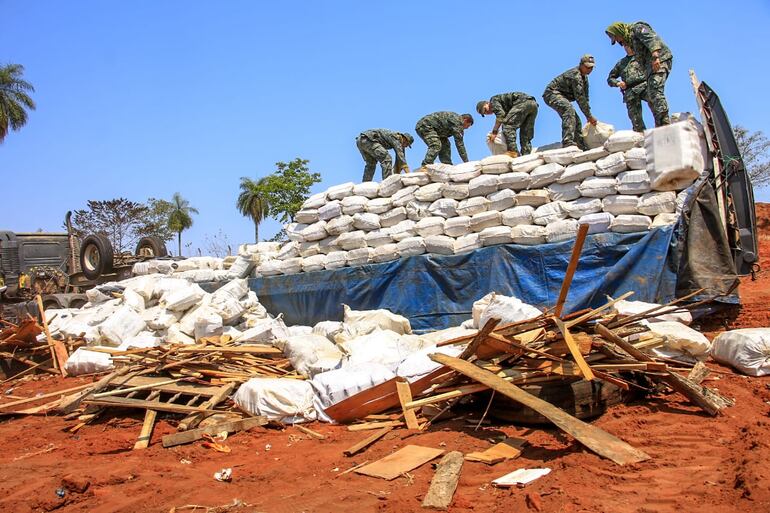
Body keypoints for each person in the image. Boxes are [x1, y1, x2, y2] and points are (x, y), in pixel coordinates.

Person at [606, 21, 673, 127]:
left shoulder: (637, 28)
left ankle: (665, 123)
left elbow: (651, 38)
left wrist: (655, 57)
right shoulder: (629, 43)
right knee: (652, 93)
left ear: (619, 32)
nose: (619, 42)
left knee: (655, 91)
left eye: (617, 38)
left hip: (660, 59)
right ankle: (660, 125)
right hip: (647, 71)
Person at [543, 55, 597, 150]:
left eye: (591, 68)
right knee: (568, 110)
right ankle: (568, 142)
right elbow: (580, 99)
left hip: (563, 96)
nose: (589, 70)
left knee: (577, 120)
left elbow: (585, 98)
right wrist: (589, 116)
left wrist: (588, 114)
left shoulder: (584, 79)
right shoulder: (576, 76)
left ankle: (581, 146)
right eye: (587, 67)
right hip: (552, 93)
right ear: (581, 65)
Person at [476, 92, 538, 157]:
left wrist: (494, 132)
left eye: (485, 110)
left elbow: (501, 115)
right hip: (533, 104)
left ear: (487, 103)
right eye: (485, 113)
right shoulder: (501, 106)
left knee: (507, 127)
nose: (487, 112)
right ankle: (526, 155)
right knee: (525, 132)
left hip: (522, 103)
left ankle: (514, 153)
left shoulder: (493, 101)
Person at [607, 46, 649, 132]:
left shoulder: (641, 57)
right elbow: (610, 78)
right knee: (636, 120)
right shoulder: (621, 63)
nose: (627, 47)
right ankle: (641, 135)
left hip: (644, 85)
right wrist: (618, 83)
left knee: (656, 103)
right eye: (625, 45)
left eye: (628, 44)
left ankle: (662, 126)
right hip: (630, 91)